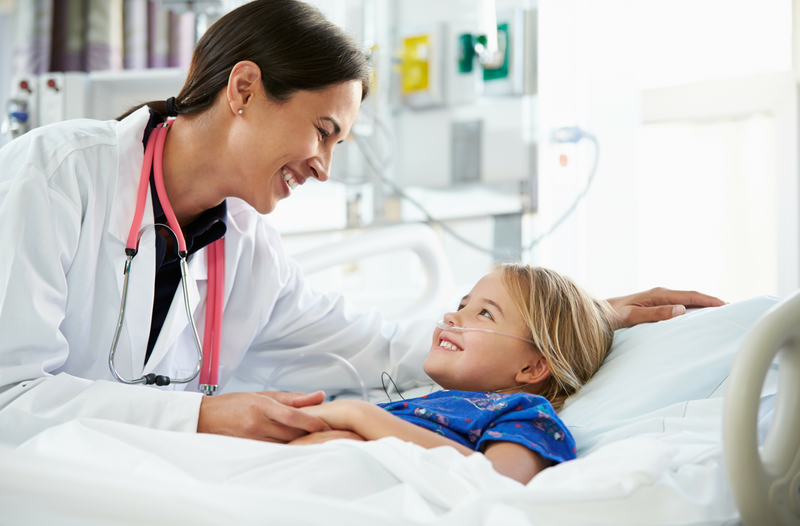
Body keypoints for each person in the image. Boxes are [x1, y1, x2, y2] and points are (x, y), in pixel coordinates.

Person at [0, 0, 724, 446]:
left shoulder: (246, 252)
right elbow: (9, 397)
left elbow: (373, 349)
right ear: (244, 89)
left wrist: (568, 322)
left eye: (337, 145)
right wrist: (202, 419)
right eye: (321, 131)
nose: (324, 165)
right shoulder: (56, 176)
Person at [290, 265, 626, 484]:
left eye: (484, 313)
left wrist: (357, 416)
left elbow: (497, 483)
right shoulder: (430, 406)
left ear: (533, 366)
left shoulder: (523, 415)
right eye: (462, 304)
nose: (452, 315)